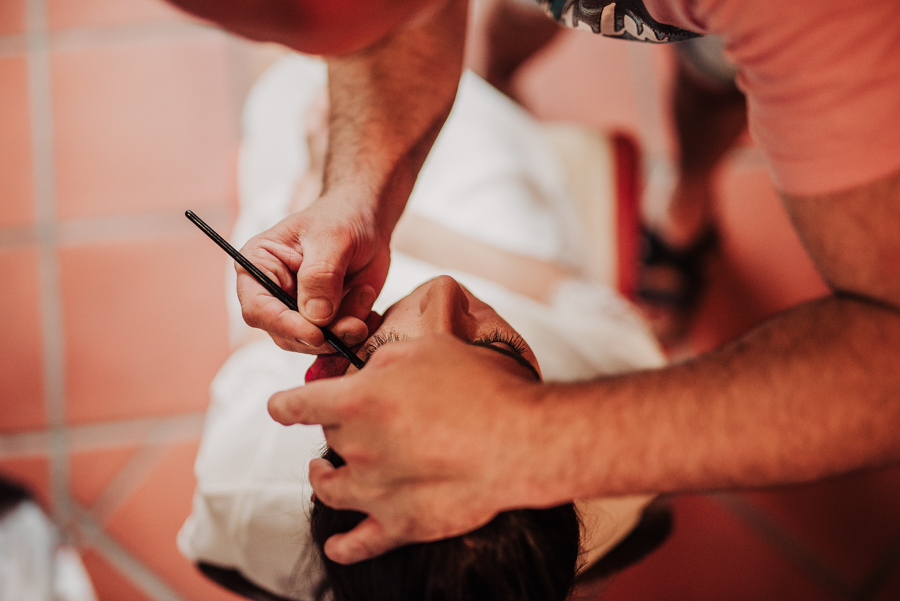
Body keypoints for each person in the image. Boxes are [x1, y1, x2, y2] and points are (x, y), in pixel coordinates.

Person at [166, 0, 900, 565]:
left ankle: (691, 185)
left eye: (329, 36)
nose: (448, 293)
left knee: (713, 78)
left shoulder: (827, 19)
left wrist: (534, 436)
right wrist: (357, 188)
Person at [178, 55, 670, 599]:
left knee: (292, 86)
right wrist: (390, 220)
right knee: (474, 124)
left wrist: (315, 193)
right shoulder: (618, 427)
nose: (445, 290)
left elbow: (220, 561)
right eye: (501, 347)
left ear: (327, 376)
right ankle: (493, 82)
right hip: (491, 244)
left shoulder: (240, 484)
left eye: (389, 348)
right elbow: (587, 303)